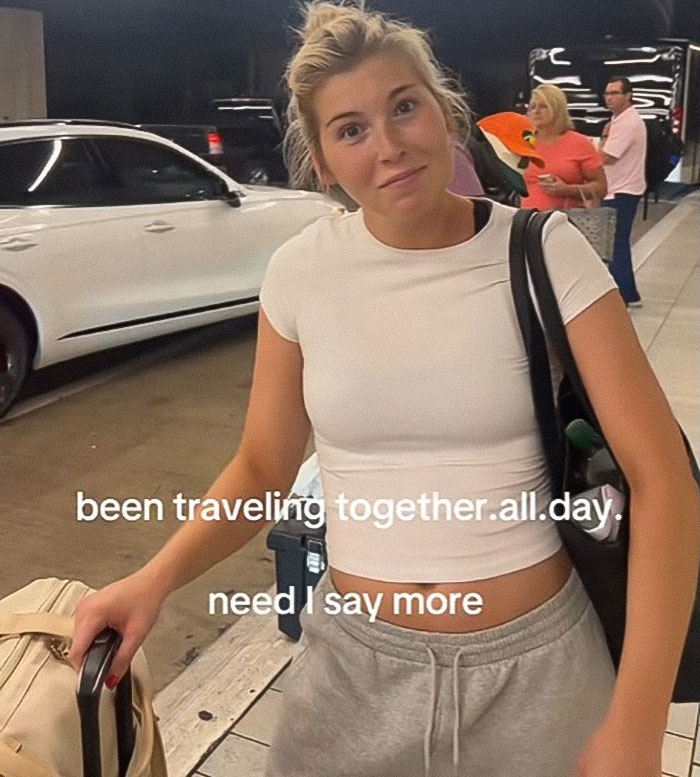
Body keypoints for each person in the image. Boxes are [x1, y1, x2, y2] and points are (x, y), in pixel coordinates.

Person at [69, 4, 699, 777]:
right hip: (352, 672)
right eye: (351, 128)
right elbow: (262, 468)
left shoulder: (544, 251)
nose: (389, 145)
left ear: (447, 113)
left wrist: (637, 723)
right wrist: (151, 580)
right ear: (324, 162)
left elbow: (663, 478)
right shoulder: (301, 272)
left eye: (404, 107)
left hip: (538, 672)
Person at [599, 76, 647, 307]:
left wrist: (601, 139)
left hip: (621, 190)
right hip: (621, 188)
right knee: (618, 242)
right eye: (607, 93)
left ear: (628, 95)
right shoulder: (620, 120)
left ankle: (624, 294)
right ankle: (628, 292)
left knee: (616, 243)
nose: (609, 98)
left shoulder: (627, 122)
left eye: (615, 93)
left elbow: (607, 157)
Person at [521, 84, 607, 211]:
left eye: (543, 106)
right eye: (532, 107)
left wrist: (568, 190)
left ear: (557, 110)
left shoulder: (579, 143)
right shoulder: (524, 143)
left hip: (566, 218)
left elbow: (601, 187)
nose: (536, 111)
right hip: (529, 218)